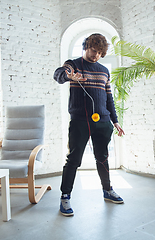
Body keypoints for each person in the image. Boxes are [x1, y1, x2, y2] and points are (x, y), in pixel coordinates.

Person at [53, 33, 125, 216]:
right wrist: (70, 76)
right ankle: (65, 196)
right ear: (86, 47)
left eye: (100, 52)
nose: (96, 55)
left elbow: (109, 98)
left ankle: (107, 190)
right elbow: (59, 75)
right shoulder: (73, 64)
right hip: (79, 121)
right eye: (94, 50)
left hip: (102, 121)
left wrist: (115, 121)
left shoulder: (104, 71)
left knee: (102, 157)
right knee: (74, 160)